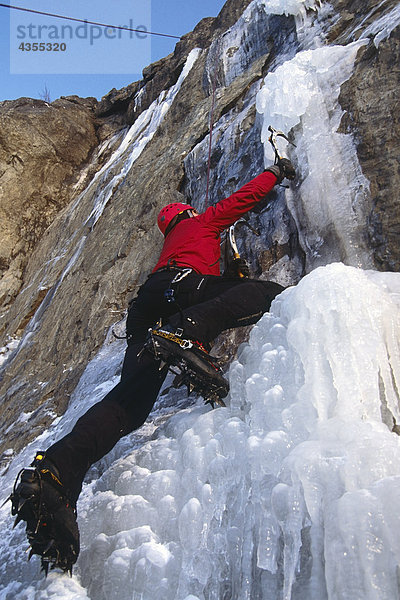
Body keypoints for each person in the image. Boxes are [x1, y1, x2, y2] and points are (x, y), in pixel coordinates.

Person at [10, 158, 296, 573]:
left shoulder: (170, 243)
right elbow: (241, 200)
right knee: (267, 292)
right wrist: (275, 173)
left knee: (129, 403)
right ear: (186, 214)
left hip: (147, 307)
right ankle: (186, 333)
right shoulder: (201, 223)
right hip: (183, 289)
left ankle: (54, 473)